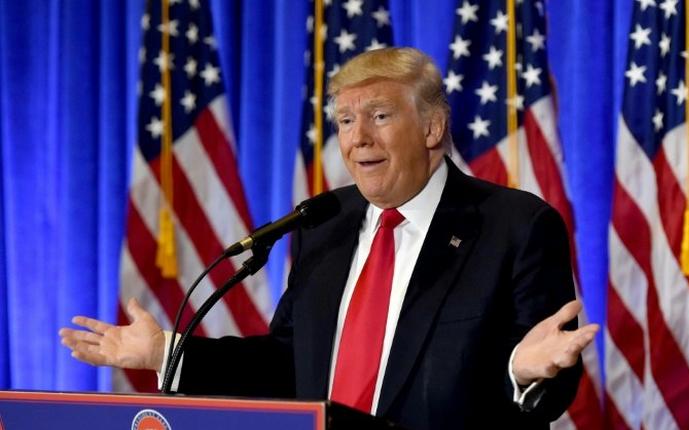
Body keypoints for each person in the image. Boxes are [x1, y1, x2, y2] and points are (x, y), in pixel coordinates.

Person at [60, 47, 599, 430]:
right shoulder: (323, 224)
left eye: (379, 116)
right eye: (344, 120)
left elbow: (547, 373)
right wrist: (167, 353)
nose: (357, 137)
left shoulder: (517, 226)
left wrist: (519, 371)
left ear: (433, 128)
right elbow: (287, 363)